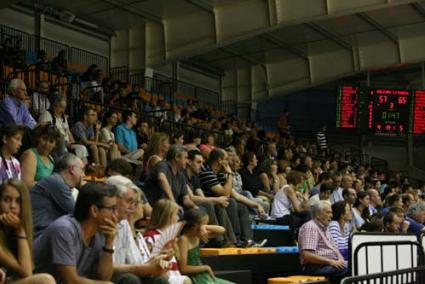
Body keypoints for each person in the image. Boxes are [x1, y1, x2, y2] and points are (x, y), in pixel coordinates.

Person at [34, 182, 118, 283]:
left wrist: (108, 245)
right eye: (112, 209)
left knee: (127, 279)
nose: (116, 214)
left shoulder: (101, 231)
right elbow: (70, 281)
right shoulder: (64, 229)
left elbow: (104, 277)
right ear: (94, 211)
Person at [105, 175, 172, 284]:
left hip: (123, 275)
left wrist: (156, 262)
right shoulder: (101, 222)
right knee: (130, 280)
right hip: (104, 277)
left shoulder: (124, 224)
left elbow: (136, 261)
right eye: (129, 201)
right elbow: (104, 269)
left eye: (135, 203)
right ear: (113, 200)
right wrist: (144, 267)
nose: (133, 207)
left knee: (159, 280)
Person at [0, 179, 56, 283]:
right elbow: (26, 272)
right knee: (45, 280)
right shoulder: (19, 230)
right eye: (6, 200)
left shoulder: (18, 230)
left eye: (18, 201)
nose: (12, 206)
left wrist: (20, 230)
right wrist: (20, 231)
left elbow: (27, 271)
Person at [199, 148, 253, 246]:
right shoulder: (207, 172)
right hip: (210, 201)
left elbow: (229, 193)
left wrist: (257, 205)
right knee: (230, 202)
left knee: (242, 207)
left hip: (220, 201)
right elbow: (225, 193)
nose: (229, 162)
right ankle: (231, 240)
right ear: (220, 160)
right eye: (227, 159)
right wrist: (230, 173)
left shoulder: (219, 173)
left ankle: (246, 239)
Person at [31, 153, 85, 238]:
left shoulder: (58, 182)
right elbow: (79, 214)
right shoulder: (56, 182)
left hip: (45, 232)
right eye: (82, 170)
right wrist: (85, 189)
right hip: (39, 235)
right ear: (72, 169)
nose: (83, 175)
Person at [178, 208, 234, 284]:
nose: (204, 229)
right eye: (204, 225)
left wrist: (205, 227)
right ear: (194, 226)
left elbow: (222, 230)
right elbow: (183, 268)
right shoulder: (183, 239)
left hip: (203, 275)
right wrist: (205, 268)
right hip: (194, 277)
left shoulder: (197, 236)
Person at [298, 201, 348, 284]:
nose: (331, 215)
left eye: (331, 212)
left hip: (328, 264)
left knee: (356, 264)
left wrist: (340, 260)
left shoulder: (326, 229)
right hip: (315, 266)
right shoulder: (311, 227)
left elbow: (335, 249)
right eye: (328, 212)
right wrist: (332, 262)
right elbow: (307, 255)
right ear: (318, 214)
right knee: (351, 269)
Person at [144, 199, 191, 284]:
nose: (178, 218)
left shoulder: (171, 236)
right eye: (176, 214)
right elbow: (146, 259)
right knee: (186, 281)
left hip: (175, 274)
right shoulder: (151, 236)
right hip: (163, 276)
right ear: (167, 216)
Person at [39, 95, 88, 162]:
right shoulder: (47, 114)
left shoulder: (63, 117)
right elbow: (46, 131)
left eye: (64, 108)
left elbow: (68, 132)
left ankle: (82, 169)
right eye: (61, 107)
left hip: (68, 144)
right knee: (64, 147)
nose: (63, 110)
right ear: (54, 105)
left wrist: (73, 143)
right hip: (56, 143)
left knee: (82, 148)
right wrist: (65, 142)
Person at [20, 124, 61, 189]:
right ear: (38, 138)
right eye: (44, 139)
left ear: (55, 145)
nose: (47, 144)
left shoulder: (51, 159)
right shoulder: (30, 155)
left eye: (51, 141)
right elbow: (26, 185)